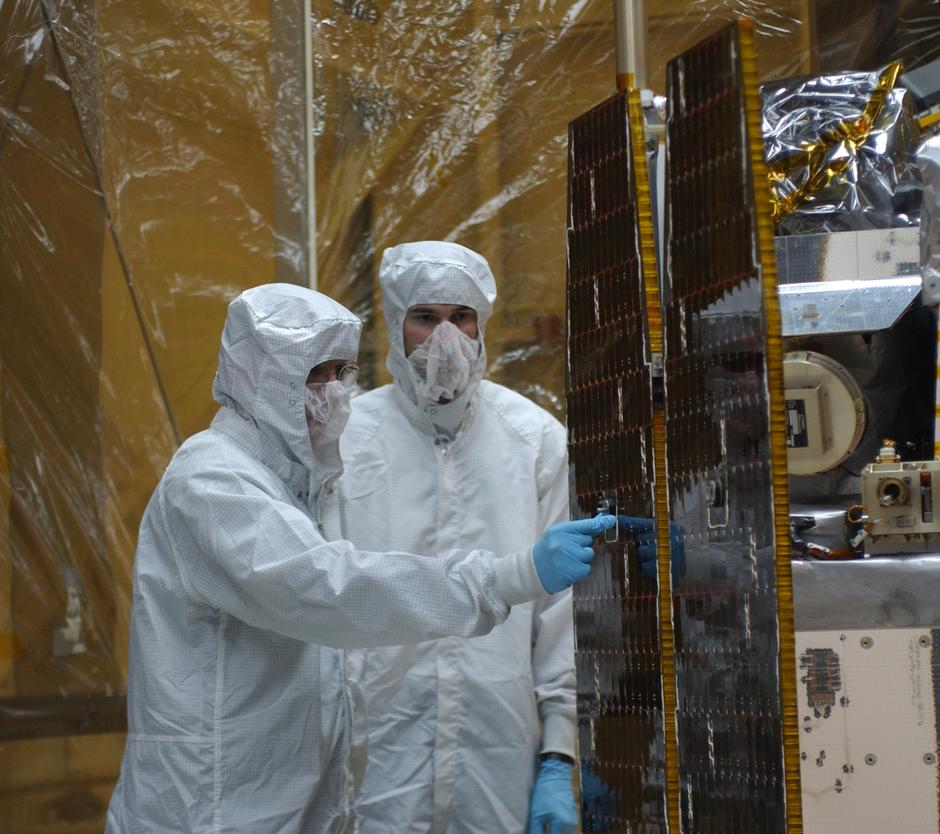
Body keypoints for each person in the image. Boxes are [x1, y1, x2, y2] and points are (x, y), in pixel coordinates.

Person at [104, 282, 613, 834]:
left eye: (339, 372)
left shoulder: (295, 481)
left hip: (287, 800)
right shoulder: (212, 482)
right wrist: (514, 574)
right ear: (257, 377)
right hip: (212, 807)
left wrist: (560, 752)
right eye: (313, 374)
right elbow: (328, 590)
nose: (334, 392)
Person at [335, 241, 579, 834]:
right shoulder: (345, 441)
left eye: (459, 318)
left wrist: (560, 755)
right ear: (396, 326)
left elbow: (561, 617)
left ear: (480, 326)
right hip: (374, 754)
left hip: (497, 751)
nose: (445, 339)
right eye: (425, 318)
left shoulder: (534, 441)